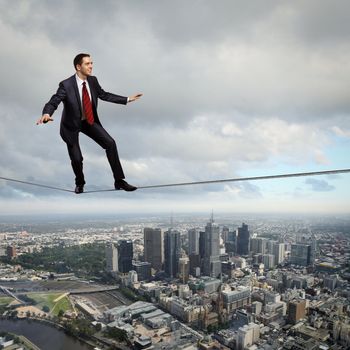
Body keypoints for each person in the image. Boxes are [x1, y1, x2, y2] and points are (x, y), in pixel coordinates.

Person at [37, 53, 142, 194]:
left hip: (88, 121)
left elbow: (104, 95)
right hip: (71, 125)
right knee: (77, 158)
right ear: (78, 66)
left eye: (92, 63)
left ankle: (119, 181)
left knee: (110, 143)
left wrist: (127, 99)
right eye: (87, 64)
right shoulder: (66, 85)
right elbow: (54, 101)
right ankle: (79, 183)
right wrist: (46, 113)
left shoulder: (93, 81)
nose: (91, 66)